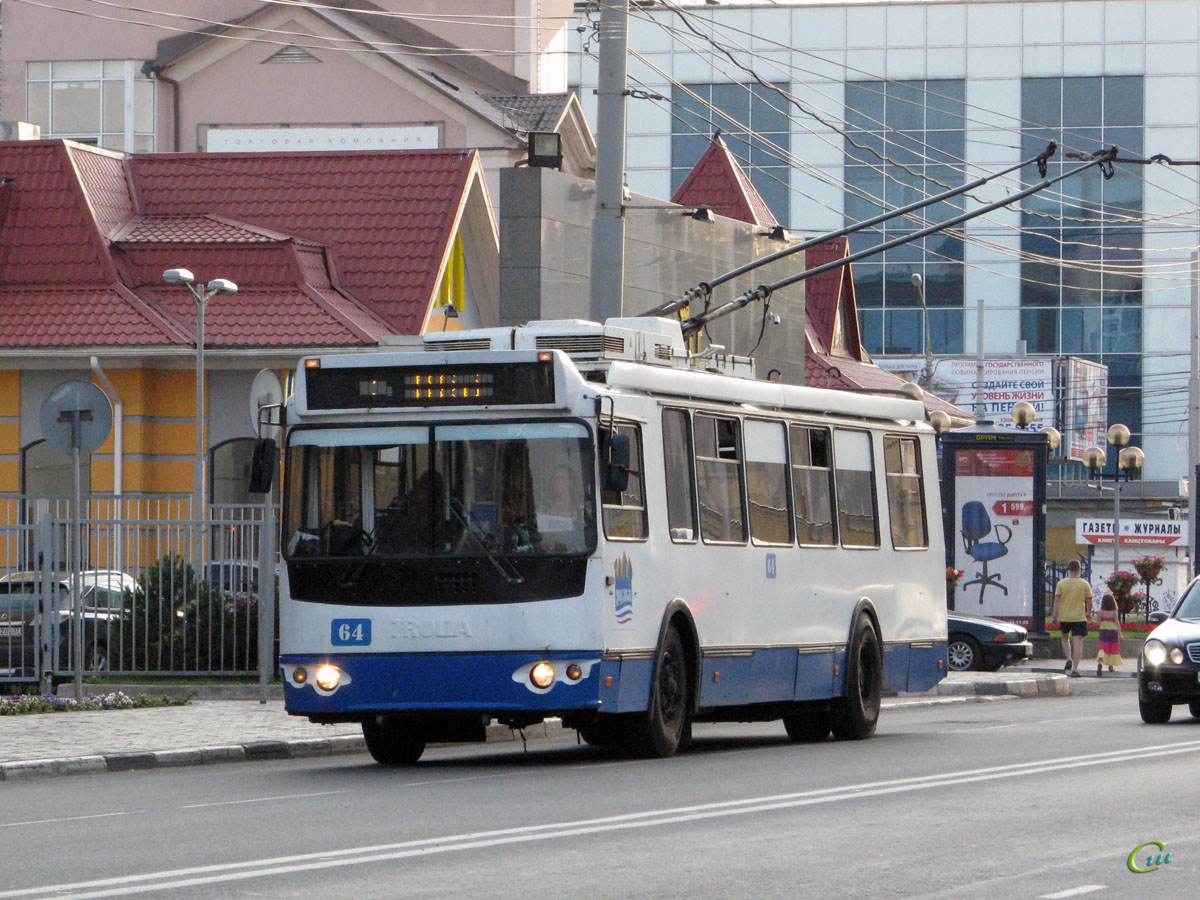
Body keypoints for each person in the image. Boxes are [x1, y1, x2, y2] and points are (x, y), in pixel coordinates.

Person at [1052, 559, 1093, 677]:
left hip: (1064, 616)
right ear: (1079, 569)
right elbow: (1089, 600)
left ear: (1068, 569)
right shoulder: (1084, 583)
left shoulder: (1061, 583)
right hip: (1079, 617)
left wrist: (1054, 616)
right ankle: (1075, 669)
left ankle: (1068, 659)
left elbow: (1057, 600)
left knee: (1065, 638)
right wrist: (1089, 612)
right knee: (1078, 643)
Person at [1096, 592, 1122, 676]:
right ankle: (1111, 666)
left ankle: (1100, 664)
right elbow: (1117, 623)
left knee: (1102, 649)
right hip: (1113, 633)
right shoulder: (1114, 612)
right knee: (1112, 649)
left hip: (1103, 633)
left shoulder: (1100, 612)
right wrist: (1120, 633)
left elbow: (1098, 623)